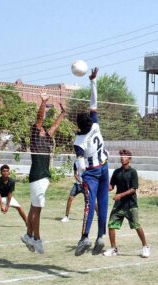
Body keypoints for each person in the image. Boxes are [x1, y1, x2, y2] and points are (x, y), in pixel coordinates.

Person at [21, 92, 66, 254]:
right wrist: (44, 102)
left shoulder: (46, 138)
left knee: (34, 208)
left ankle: (28, 236)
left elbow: (54, 126)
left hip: (43, 177)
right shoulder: (35, 135)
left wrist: (63, 114)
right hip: (37, 176)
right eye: (40, 128)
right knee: (37, 210)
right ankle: (37, 239)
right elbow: (40, 119)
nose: (43, 129)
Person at [73, 67, 109, 256]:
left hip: (92, 172)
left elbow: (80, 164)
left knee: (89, 203)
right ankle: (101, 237)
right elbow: (94, 103)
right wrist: (93, 81)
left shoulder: (79, 141)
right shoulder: (95, 124)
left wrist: (80, 178)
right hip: (105, 167)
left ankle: (85, 237)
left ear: (79, 125)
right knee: (103, 203)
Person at [103, 149, 150, 258]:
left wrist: (120, 195)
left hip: (131, 205)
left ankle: (145, 246)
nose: (122, 158)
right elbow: (111, 186)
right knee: (111, 225)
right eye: (121, 156)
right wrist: (102, 188)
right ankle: (114, 249)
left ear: (129, 159)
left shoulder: (133, 172)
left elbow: (133, 189)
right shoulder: (116, 172)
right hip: (119, 205)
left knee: (136, 226)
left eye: (124, 156)